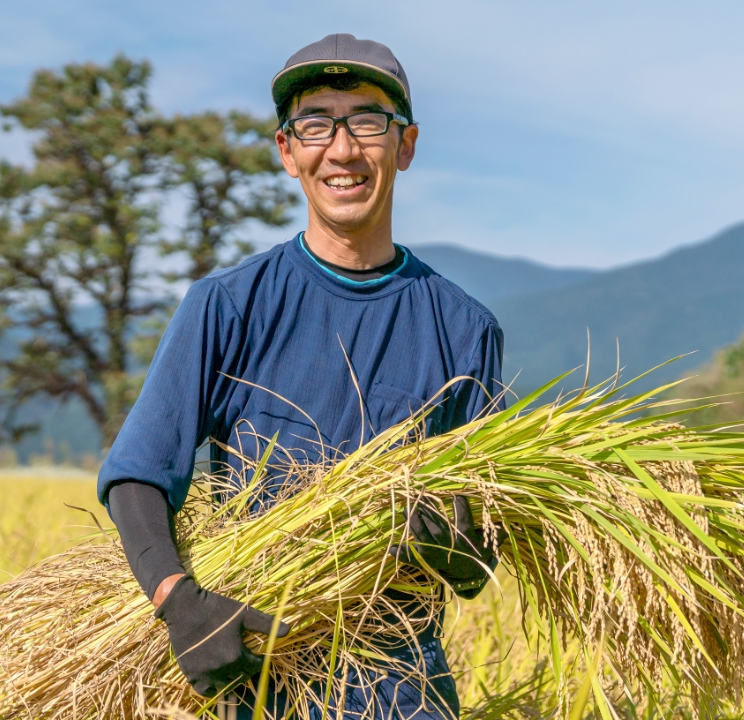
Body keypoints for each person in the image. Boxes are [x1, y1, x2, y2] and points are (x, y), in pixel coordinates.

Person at [98, 33, 506, 719]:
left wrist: (470, 554)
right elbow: (140, 472)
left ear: (404, 146)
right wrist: (178, 601)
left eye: (368, 122)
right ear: (288, 152)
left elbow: (482, 532)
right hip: (258, 682)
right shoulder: (228, 305)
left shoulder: (464, 328)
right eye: (316, 123)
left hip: (406, 692)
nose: (342, 149)